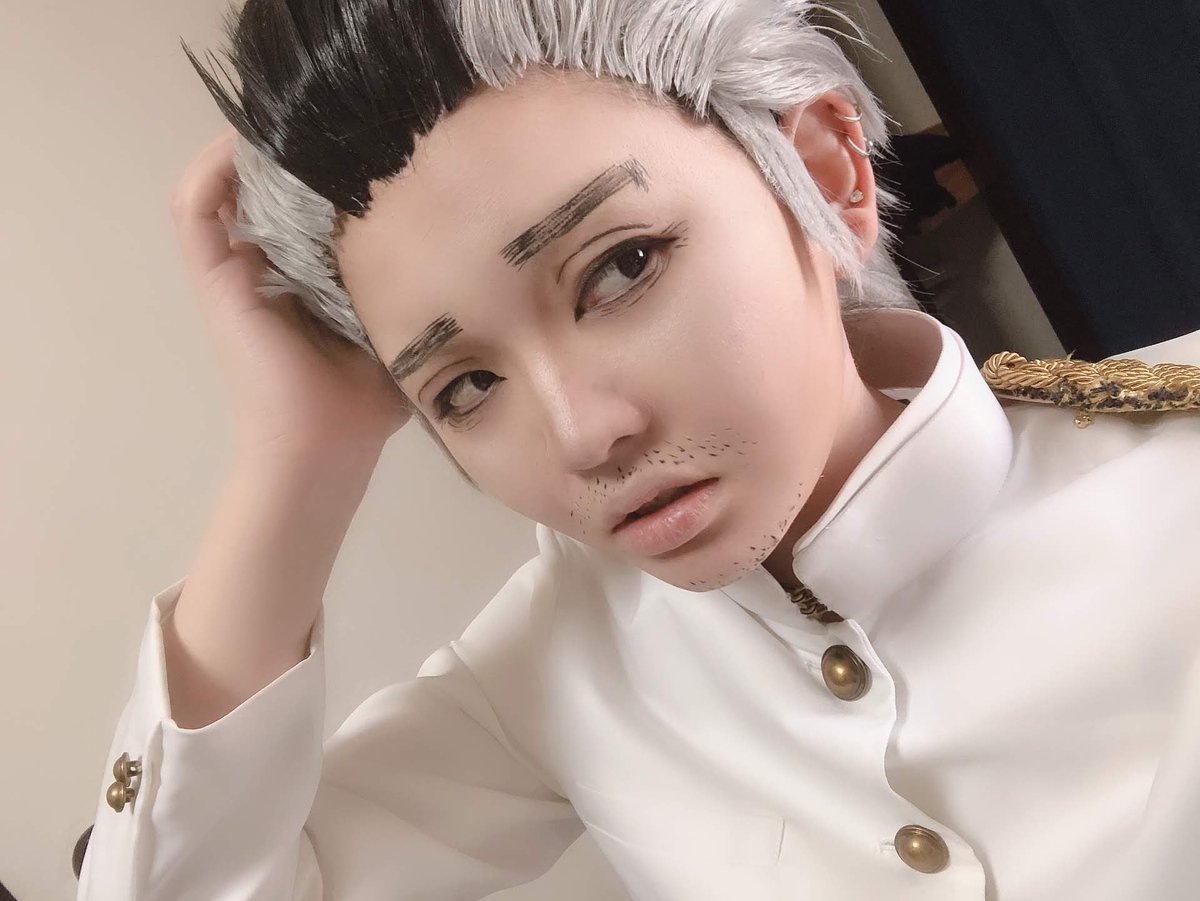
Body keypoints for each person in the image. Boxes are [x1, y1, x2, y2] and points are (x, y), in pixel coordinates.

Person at [78, 1, 1200, 899]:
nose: (582, 433)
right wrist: (298, 452)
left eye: (621, 268)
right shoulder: (562, 661)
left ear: (826, 174)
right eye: (465, 386)